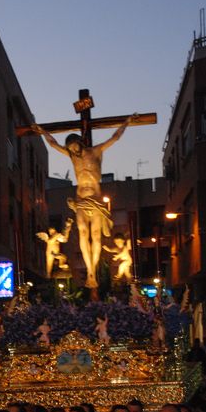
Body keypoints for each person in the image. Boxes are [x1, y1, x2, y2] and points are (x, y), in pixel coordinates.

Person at [32, 117, 131, 289]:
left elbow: (115, 137)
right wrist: (42, 130)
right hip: (80, 201)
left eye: (74, 147)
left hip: (95, 201)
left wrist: (127, 122)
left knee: (96, 236)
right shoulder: (72, 156)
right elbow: (53, 144)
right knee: (83, 235)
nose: (73, 151)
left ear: (79, 142)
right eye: (70, 149)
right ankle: (90, 272)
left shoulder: (96, 151)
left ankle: (94, 272)